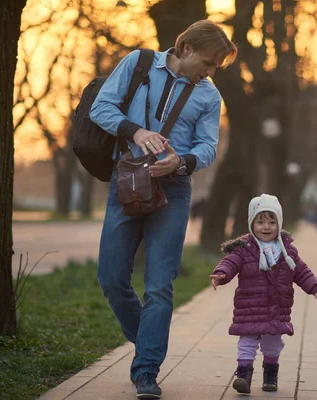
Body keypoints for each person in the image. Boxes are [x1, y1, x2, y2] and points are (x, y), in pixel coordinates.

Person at [89, 20, 236, 399]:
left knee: (158, 285)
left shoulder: (209, 96)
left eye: (216, 67)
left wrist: (180, 162)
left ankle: (146, 371)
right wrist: (135, 132)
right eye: (208, 62)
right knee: (111, 278)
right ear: (185, 48)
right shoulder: (138, 63)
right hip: (129, 179)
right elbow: (100, 108)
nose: (210, 72)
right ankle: (147, 341)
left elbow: (207, 147)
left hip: (173, 188)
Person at [210, 194, 317, 394]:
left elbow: (301, 271)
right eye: (260, 221)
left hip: (277, 307)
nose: (266, 227)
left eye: (272, 222)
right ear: (251, 223)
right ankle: (243, 375)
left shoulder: (287, 252)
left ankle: (270, 375)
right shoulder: (244, 250)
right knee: (247, 341)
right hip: (249, 306)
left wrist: (315, 288)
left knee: (273, 343)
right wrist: (221, 274)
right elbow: (230, 263)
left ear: (279, 224)